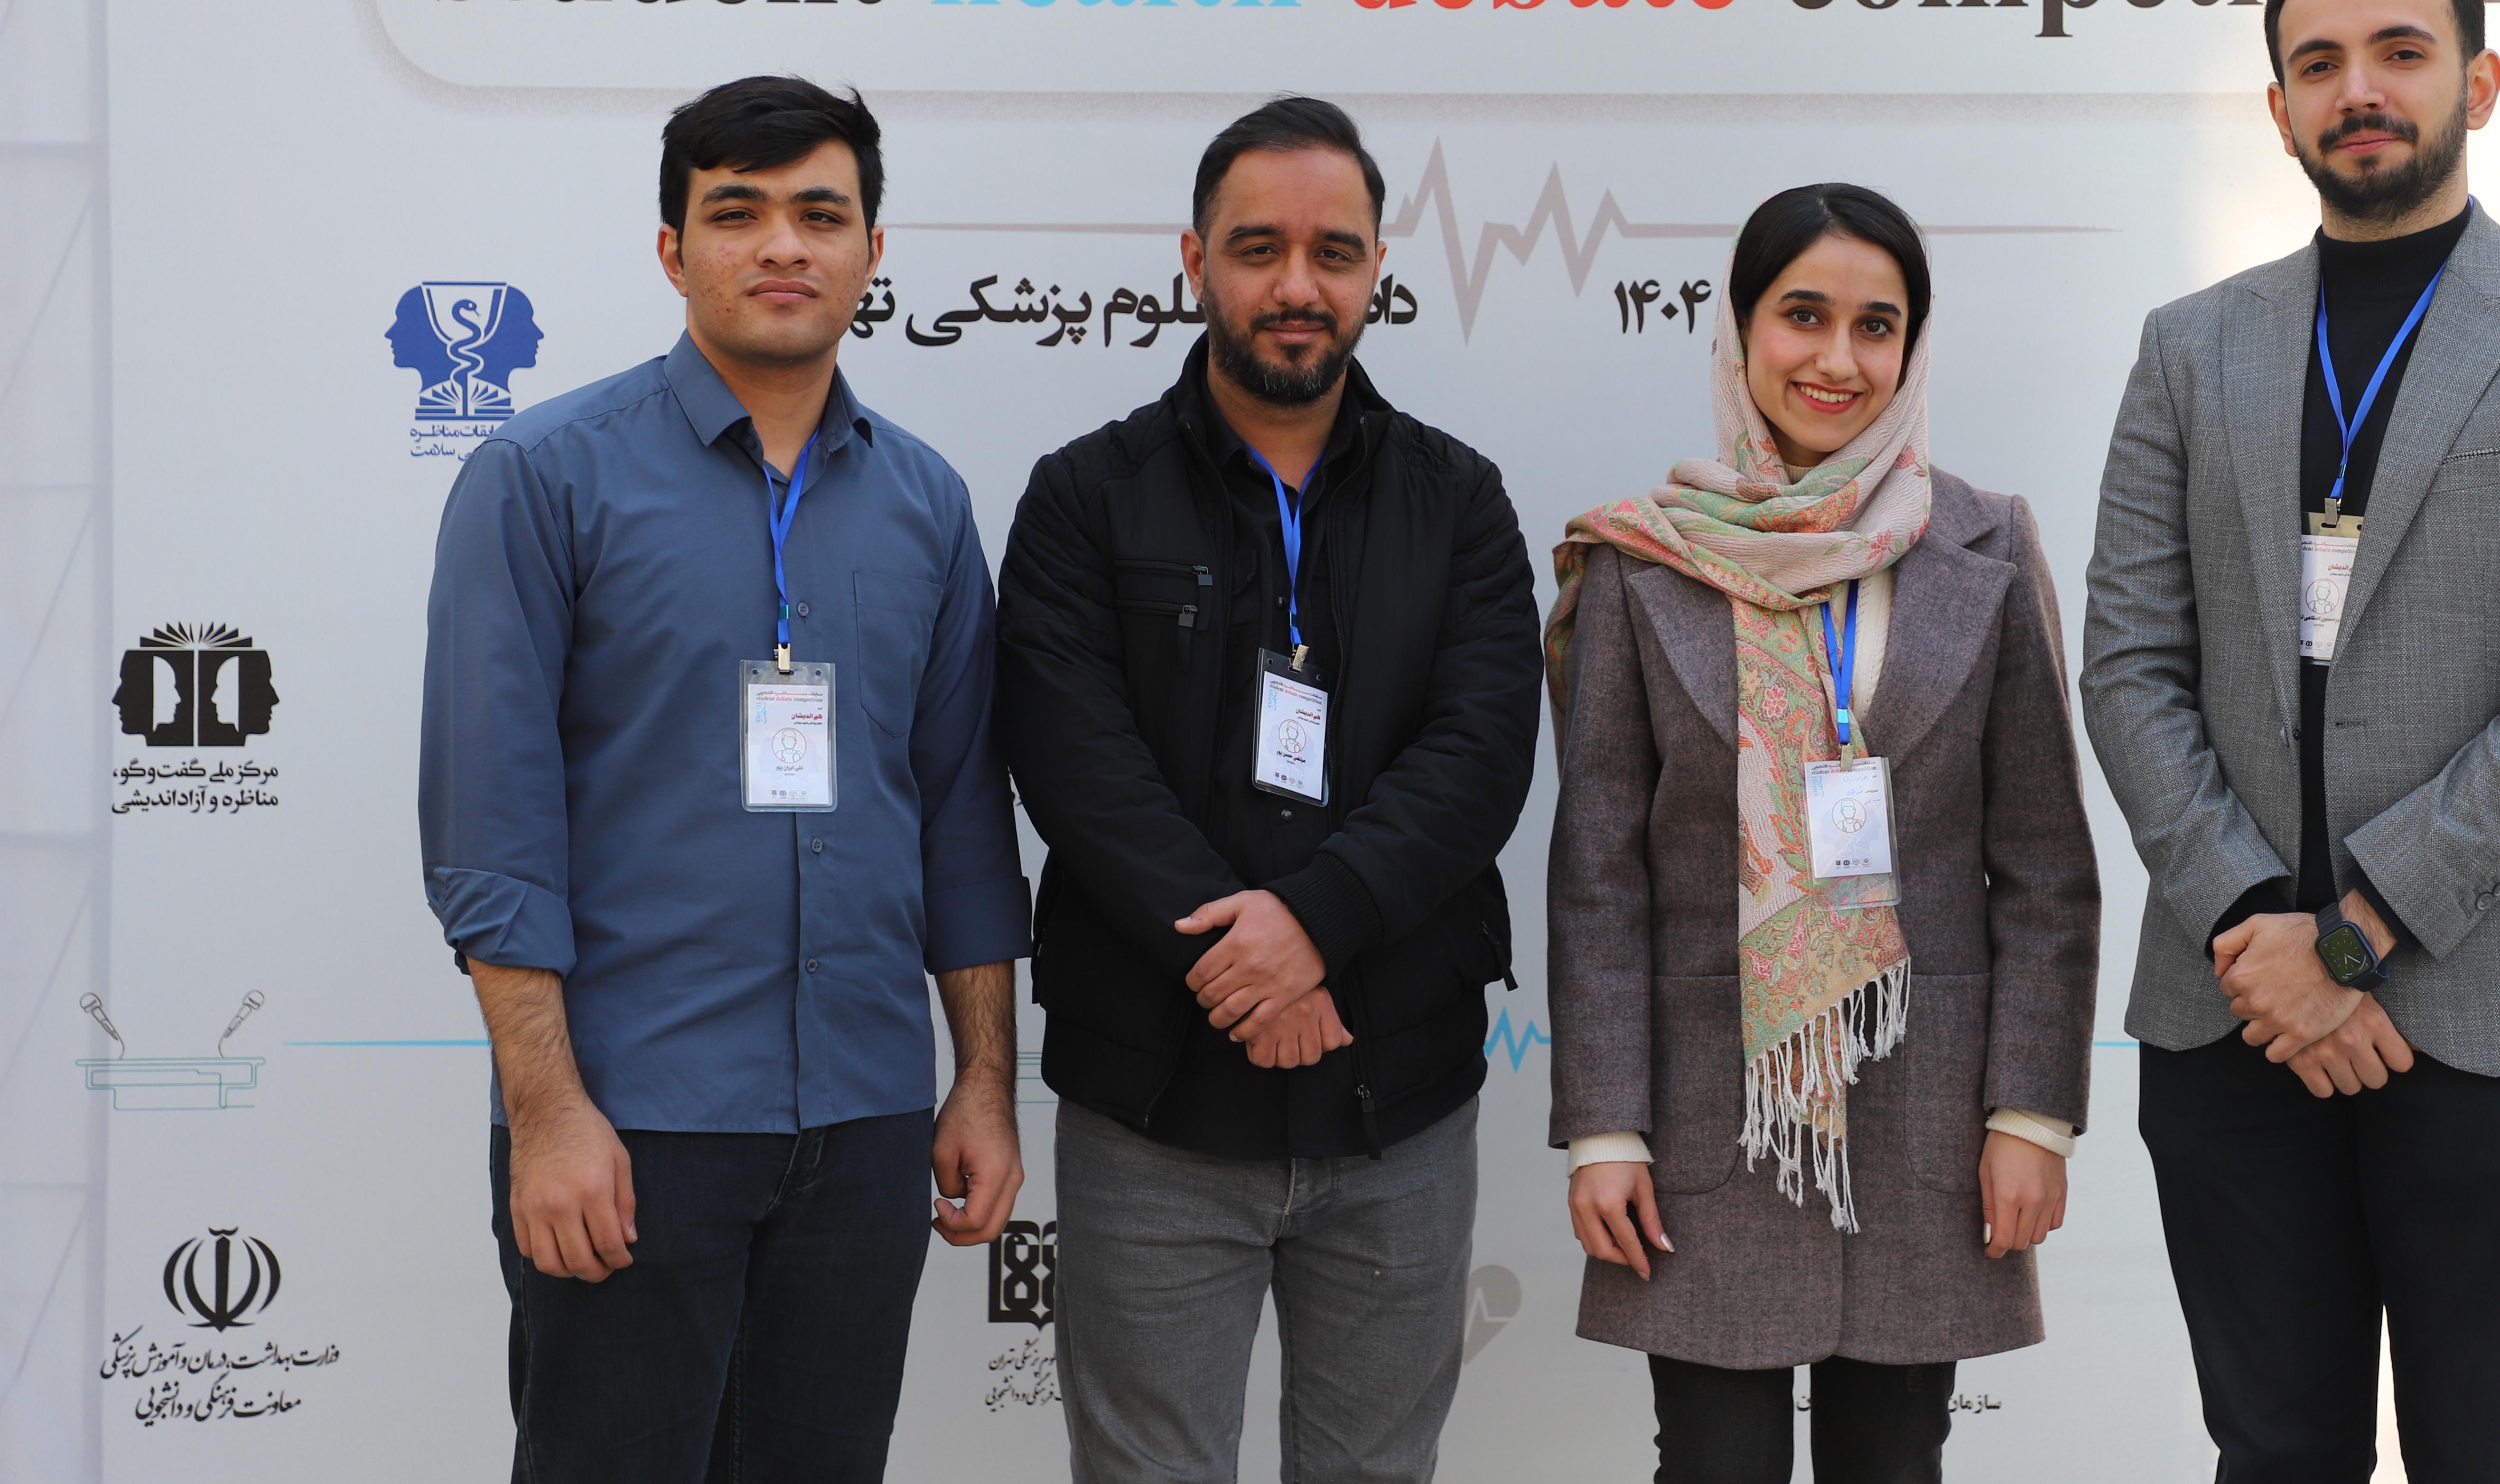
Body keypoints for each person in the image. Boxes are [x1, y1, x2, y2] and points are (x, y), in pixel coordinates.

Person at [2081, 0, 2500, 1482]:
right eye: (2319, 64)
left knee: (2489, 1451)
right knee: (2272, 1454)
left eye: (2401, 53)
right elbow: (2130, 665)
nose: (2360, 89)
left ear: (2478, 84)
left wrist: (2350, 942)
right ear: (2279, 110)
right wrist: (2258, 935)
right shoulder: (2189, 347)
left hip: (2497, 1017)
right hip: (2233, 1021)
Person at [418, 76, 1031, 1483]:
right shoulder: (542, 478)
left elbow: (960, 820)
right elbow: (490, 829)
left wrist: (985, 1085)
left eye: (822, 214)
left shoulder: (928, 503)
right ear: (672, 248)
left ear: (873, 252)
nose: (783, 246)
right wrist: (548, 1113)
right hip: (633, 1122)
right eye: (737, 213)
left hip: (866, 1124)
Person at [995, 96, 1542, 1484]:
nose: (1298, 285)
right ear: (1195, 262)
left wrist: (1315, 926)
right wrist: (1253, 964)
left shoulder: (1461, 501)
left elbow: (1479, 755)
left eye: (1333, 252)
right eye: (1258, 249)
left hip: (1397, 1096)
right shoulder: (1083, 497)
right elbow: (1075, 763)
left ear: (1377, 271)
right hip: (1154, 1102)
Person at [1544, 184, 2102, 1484]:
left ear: (1912, 347)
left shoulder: (1988, 542)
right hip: (1708, 1115)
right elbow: (1600, 879)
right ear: (1740, 331)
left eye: (1876, 325)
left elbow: (2044, 866)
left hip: (1931, 1114)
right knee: (1715, 1467)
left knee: (1896, 1464)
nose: (1838, 360)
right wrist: (1606, 1129)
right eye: (1803, 316)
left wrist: (2032, 1112)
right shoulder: (1643, 561)